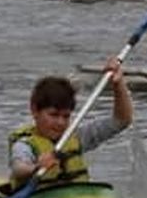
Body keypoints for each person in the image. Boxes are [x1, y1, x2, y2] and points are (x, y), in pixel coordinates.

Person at [9, 58, 131, 188]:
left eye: (66, 116)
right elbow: (18, 169)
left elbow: (122, 120)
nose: (61, 122)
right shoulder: (24, 145)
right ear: (34, 110)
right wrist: (35, 167)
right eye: (53, 115)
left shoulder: (77, 137)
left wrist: (118, 85)